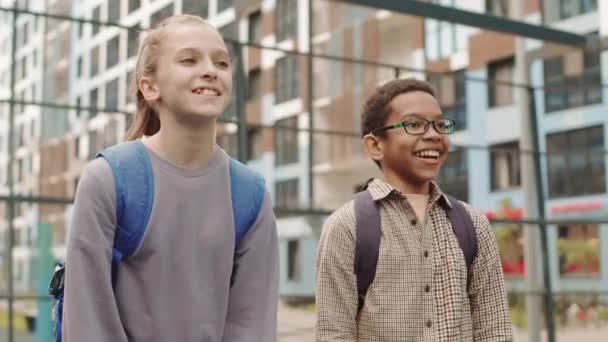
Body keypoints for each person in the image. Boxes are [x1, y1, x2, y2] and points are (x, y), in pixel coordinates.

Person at [62, 15, 278, 342]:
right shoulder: (108, 179)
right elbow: (88, 322)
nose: (210, 70)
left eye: (221, 62)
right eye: (189, 59)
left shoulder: (251, 195)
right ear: (149, 86)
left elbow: (252, 324)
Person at [315, 78, 512, 341]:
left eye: (440, 124)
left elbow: (494, 330)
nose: (433, 135)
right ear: (375, 145)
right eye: (415, 124)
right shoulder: (346, 227)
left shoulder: (473, 225)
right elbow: (333, 334)